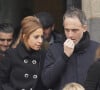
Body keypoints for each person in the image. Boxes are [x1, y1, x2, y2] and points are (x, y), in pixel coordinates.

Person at [41, 7, 100, 90]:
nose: (70, 35)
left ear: (84, 28)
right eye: (67, 30)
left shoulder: (96, 49)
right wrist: (64, 56)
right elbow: (46, 81)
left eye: (74, 30)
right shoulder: (54, 49)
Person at [0, 16, 47, 90]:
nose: (40, 41)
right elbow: (2, 82)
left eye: (41, 37)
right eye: (36, 37)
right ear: (25, 37)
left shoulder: (44, 55)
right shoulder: (11, 54)